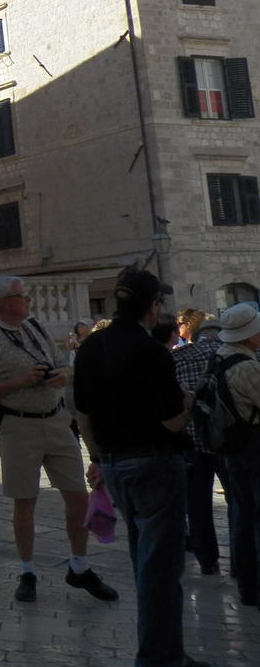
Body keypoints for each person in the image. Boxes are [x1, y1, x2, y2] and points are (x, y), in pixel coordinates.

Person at [74, 267, 206, 667]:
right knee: (161, 570)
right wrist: (188, 402)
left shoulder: (91, 348)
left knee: (146, 562)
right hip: (154, 464)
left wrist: (98, 458)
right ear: (151, 307)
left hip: (114, 465)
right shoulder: (151, 352)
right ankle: (158, 658)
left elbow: (82, 414)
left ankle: (168, 653)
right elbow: (171, 422)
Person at [0, 277, 117, 605]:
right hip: (18, 427)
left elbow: (63, 364)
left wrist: (64, 375)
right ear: (6, 302)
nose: (30, 300)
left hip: (57, 421)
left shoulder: (36, 327)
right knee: (25, 501)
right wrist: (20, 381)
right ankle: (27, 571)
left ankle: (79, 565)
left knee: (78, 496)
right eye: (22, 296)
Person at [212, 304, 260, 608]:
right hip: (254, 446)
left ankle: (247, 585)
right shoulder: (246, 367)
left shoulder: (218, 357)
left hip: (232, 447)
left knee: (242, 516)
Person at [171, 316, 224, 576]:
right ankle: (243, 561)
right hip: (224, 439)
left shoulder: (176, 358)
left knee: (198, 503)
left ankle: (207, 560)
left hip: (191, 438)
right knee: (239, 501)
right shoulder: (224, 353)